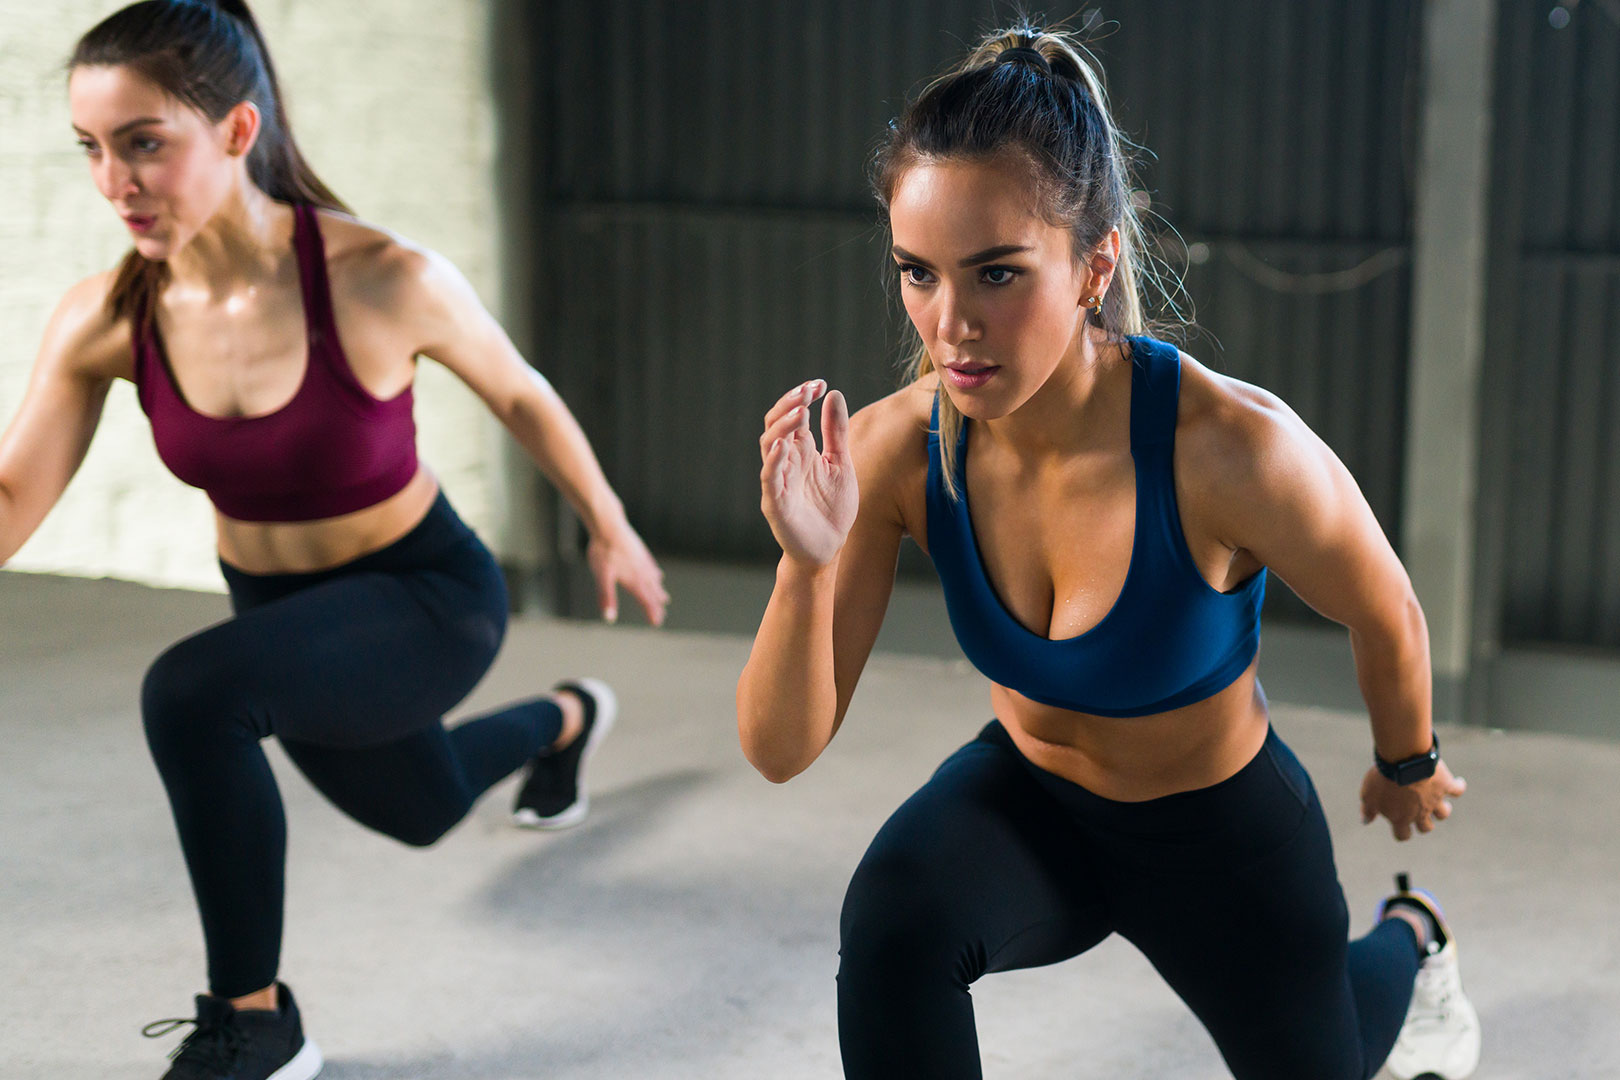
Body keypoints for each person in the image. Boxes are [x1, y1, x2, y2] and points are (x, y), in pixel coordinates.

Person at [737, 24, 1480, 1080]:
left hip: (1220, 838)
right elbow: (780, 750)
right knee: (896, 925)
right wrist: (805, 568)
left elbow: (1385, 606)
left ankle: (1416, 942)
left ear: (1095, 265)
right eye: (918, 272)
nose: (951, 324)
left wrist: (1408, 761)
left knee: (1330, 1057)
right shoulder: (896, 450)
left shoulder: (1231, 449)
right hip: (1032, 807)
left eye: (996, 274)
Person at [0, 2, 668, 1077]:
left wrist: (610, 525)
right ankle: (566, 721)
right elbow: (10, 500)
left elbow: (522, 393)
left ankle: (259, 1021)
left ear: (235, 129)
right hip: (282, 619)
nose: (113, 182)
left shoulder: (378, 278)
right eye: (91, 148)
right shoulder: (106, 318)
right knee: (424, 806)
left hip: (426, 598)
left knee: (192, 693)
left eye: (143, 144)